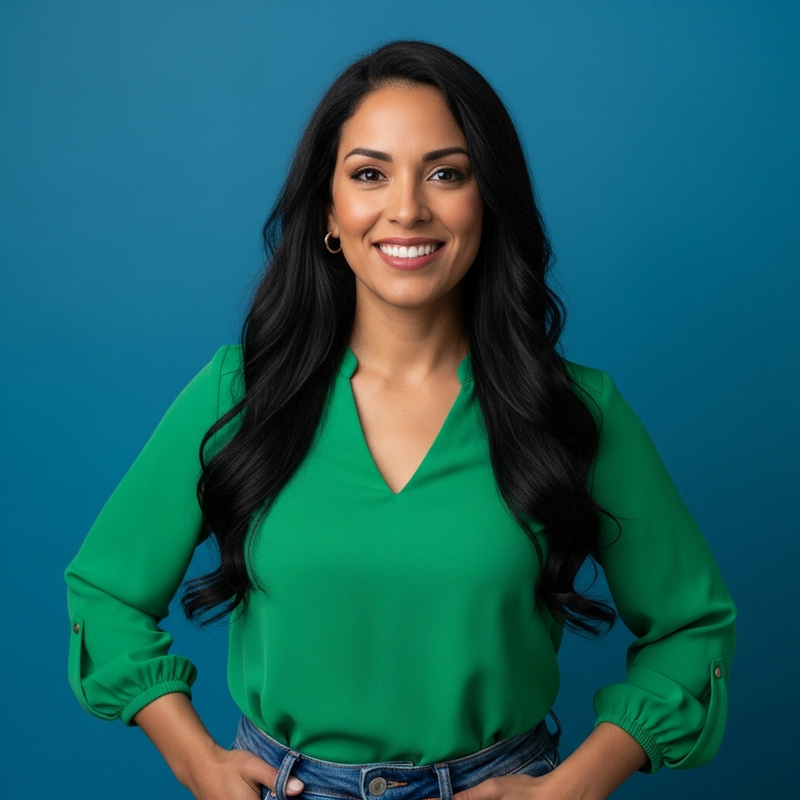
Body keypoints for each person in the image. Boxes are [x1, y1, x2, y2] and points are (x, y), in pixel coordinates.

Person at [66, 40, 736, 800]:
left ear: (488, 200)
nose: (407, 208)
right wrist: (196, 759)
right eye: (370, 174)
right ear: (329, 207)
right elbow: (106, 592)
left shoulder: (574, 411)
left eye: (445, 173)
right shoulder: (238, 394)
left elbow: (693, 627)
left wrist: (573, 789)